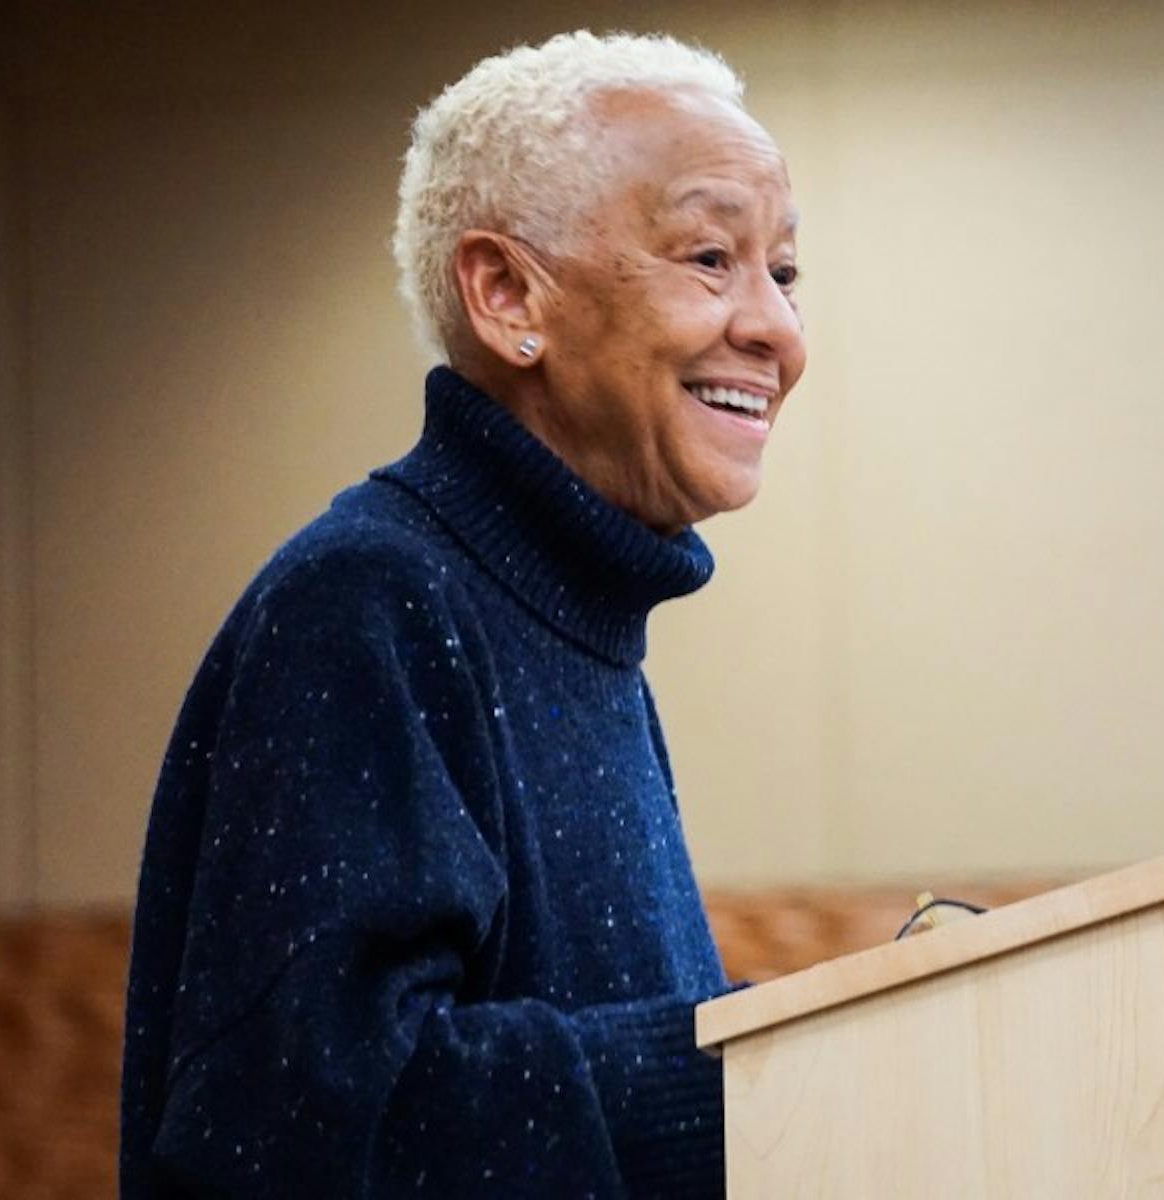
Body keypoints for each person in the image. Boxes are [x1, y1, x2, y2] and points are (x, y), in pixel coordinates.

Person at [119, 30, 804, 1198]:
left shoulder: (578, 623)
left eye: (782, 273)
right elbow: (300, 1128)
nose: (778, 334)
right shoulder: (367, 604)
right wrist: (756, 1080)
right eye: (709, 258)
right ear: (506, 296)